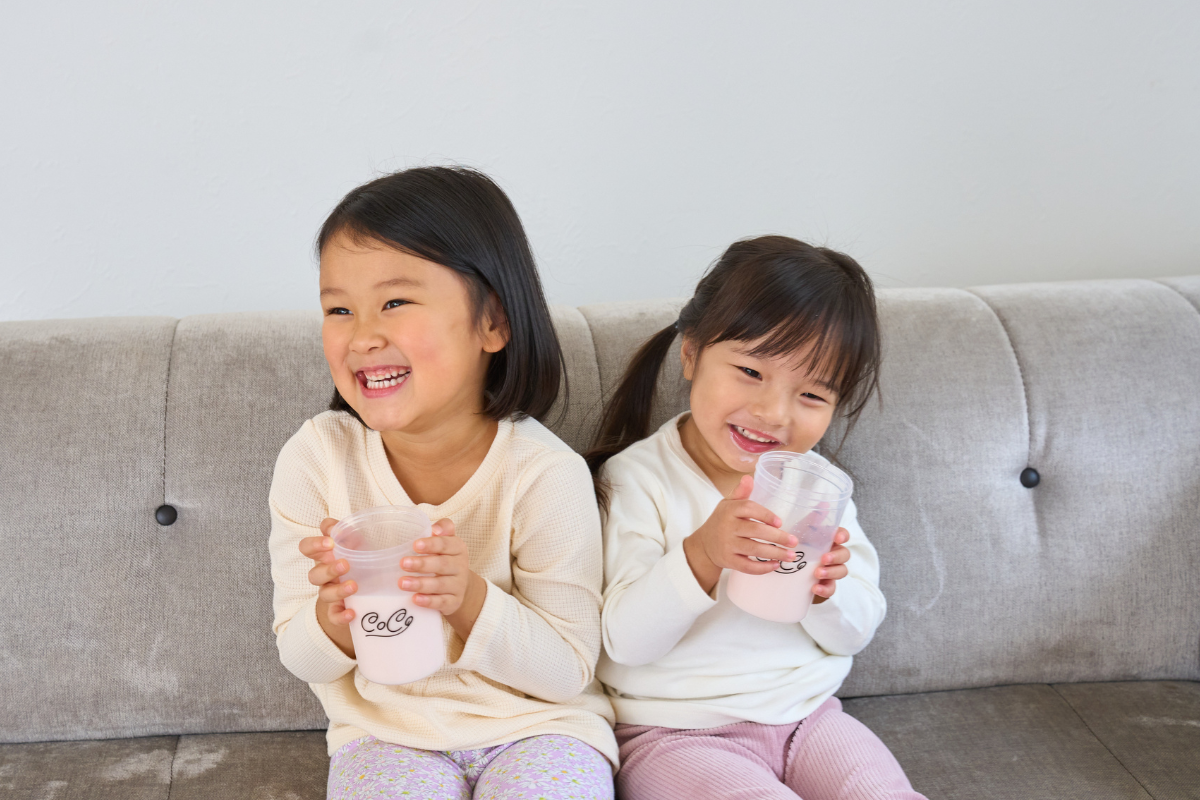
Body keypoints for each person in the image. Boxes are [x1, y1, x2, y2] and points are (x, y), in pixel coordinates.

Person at [268, 166, 616, 800]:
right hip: (386, 738)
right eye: (339, 309)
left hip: (541, 730)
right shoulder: (317, 458)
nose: (363, 335)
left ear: (493, 323)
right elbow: (300, 655)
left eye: (395, 302)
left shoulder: (544, 474)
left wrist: (466, 597)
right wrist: (334, 616)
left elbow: (567, 669)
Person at [586, 236, 925, 799]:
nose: (773, 412)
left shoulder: (819, 491)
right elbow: (624, 642)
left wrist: (827, 591)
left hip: (809, 719)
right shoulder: (638, 480)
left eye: (811, 396)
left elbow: (853, 635)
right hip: (675, 733)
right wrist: (702, 554)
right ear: (691, 354)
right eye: (750, 370)